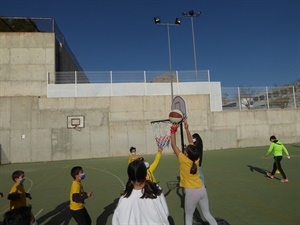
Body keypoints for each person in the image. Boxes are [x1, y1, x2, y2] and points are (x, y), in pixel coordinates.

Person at [170, 121, 217, 225]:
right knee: (207, 214)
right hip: (202, 189)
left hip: (191, 193)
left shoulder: (183, 159)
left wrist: (173, 130)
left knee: (188, 218)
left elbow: (173, 145)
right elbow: (191, 143)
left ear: (186, 153)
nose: (185, 148)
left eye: (186, 149)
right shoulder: (196, 158)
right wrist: (187, 129)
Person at [112, 160, 170, 225]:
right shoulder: (156, 190)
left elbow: (116, 221)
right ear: (145, 174)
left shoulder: (124, 200)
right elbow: (165, 212)